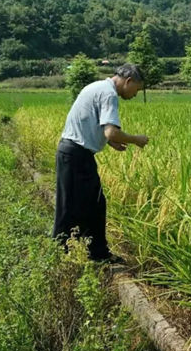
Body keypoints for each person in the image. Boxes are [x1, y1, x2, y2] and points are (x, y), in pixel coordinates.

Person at [52, 63, 149, 263]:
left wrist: (110, 141)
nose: (135, 94)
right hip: (78, 155)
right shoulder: (109, 94)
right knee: (89, 205)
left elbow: (92, 122)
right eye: (136, 89)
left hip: (69, 152)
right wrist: (135, 139)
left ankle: (69, 252)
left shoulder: (95, 86)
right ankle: (93, 254)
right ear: (128, 81)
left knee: (74, 205)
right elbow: (111, 130)